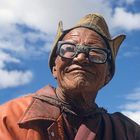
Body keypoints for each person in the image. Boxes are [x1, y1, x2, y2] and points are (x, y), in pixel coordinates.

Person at [0, 13, 140, 140]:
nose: (80, 57)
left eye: (96, 52)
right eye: (69, 49)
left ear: (108, 75)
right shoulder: (10, 116)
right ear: (55, 68)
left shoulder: (127, 132)